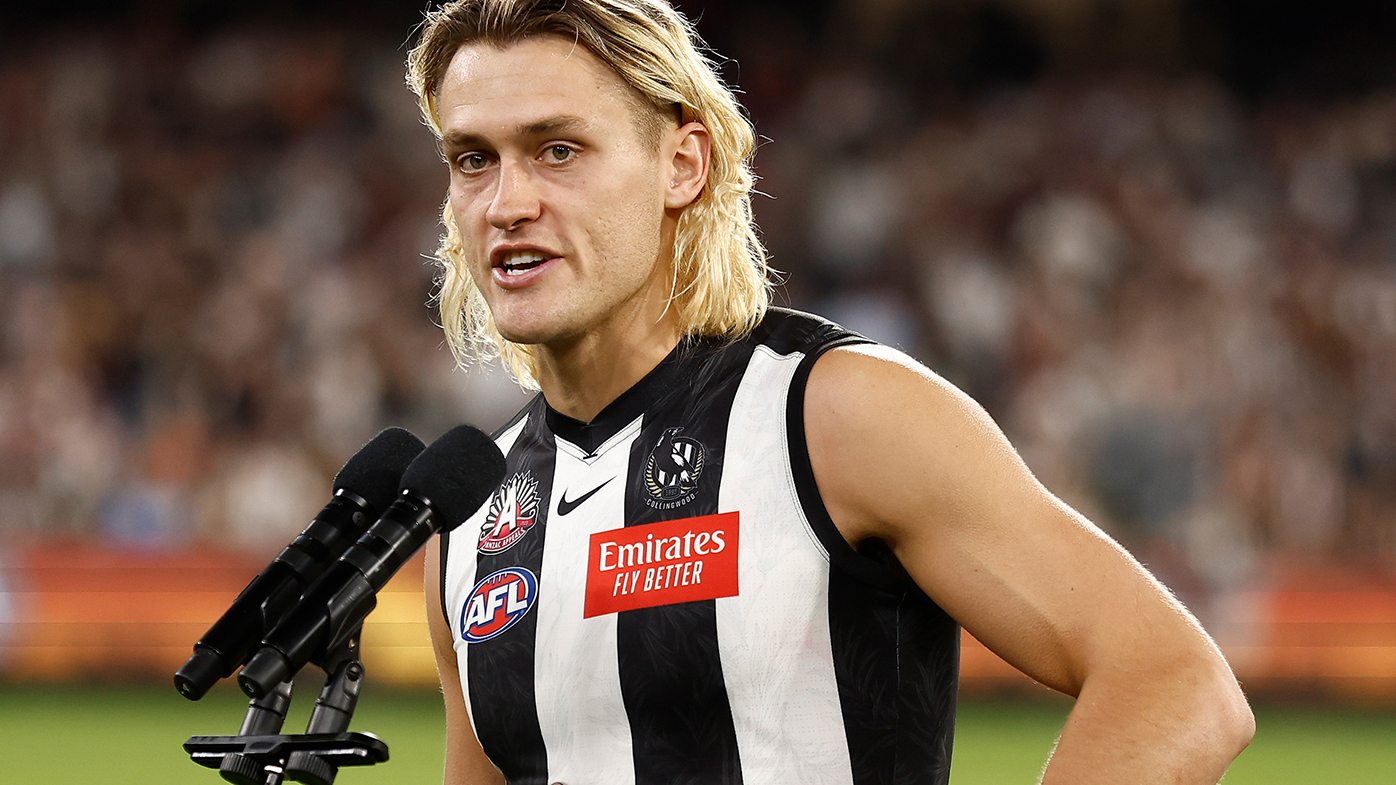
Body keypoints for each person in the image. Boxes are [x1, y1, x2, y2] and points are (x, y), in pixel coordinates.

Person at [405, 1, 1255, 783]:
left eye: (558, 150)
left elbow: (1174, 683)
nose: (507, 203)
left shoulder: (833, 415)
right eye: (473, 160)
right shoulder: (472, 518)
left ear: (682, 164)